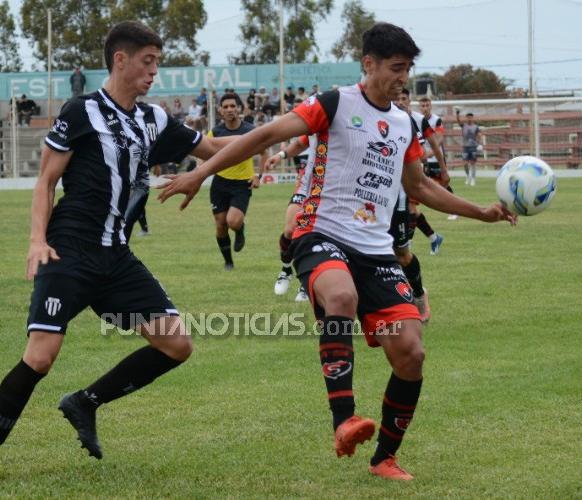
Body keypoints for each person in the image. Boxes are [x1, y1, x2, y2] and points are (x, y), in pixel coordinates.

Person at [158, 22, 516, 481]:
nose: (402, 78)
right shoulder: (334, 103)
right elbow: (265, 135)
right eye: (395, 68)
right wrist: (201, 171)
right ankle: (343, 420)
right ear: (368, 64)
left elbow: (419, 186)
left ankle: (384, 456)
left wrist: (480, 213)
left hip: (376, 250)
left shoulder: (405, 124)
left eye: (407, 69)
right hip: (319, 232)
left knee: (411, 353)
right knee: (340, 297)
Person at [0, 20, 240, 483]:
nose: (154, 72)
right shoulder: (81, 111)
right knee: (41, 355)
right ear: (120, 59)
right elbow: (46, 182)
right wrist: (37, 240)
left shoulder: (153, 120)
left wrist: (279, 137)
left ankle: (85, 402)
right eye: (147, 62)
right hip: (68, 251)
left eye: (157, 63)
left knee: (176, 343)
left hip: (117, 257)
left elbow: (211, 147)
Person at [203, 92, 265, 270]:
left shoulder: (250, 131)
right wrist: (200, 171)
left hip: (242, 184)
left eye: (233, 106)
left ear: (239, 109)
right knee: (221, 225)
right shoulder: (215, 132)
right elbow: (204, 152)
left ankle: (240, 228)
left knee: (233, 221)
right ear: (220, 111)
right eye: (226, 107)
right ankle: (228, 262)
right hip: (220, 183)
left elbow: (264, 153)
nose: (230, 110)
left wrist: (257, 176)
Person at [264, 135, 314, 302]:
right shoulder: (320, 120)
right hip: (306, 181)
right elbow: (300, 143)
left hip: (334, 184)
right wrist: (280, 156)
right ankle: (286, 270)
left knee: (314, 233)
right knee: (290, 229)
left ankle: (307, 281)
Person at [398, 89, 446, 256]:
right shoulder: (392, 118)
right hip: (396, 171)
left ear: (409, 100)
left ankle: (407, 246)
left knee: (410, 209)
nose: (400, 101)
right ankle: (433, 238)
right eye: (398, 98)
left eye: (404, 98)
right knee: (409, 210)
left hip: (414, 170)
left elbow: (434, 146)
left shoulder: (418, 120)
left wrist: (444, 170)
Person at [456, 109, 481, 186]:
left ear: (472, 118)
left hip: (473, 147)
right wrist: (457, 114)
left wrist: (479, 144)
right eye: (468, 117)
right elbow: (458, 121)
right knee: (465, 163)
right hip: (465, 147)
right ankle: (468, 176)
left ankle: (473, 178)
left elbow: (479, 135)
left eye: (470, 117)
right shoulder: (464, 125)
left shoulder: (476, 127)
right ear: (466, 118)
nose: (469, 118)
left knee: (473, 163)